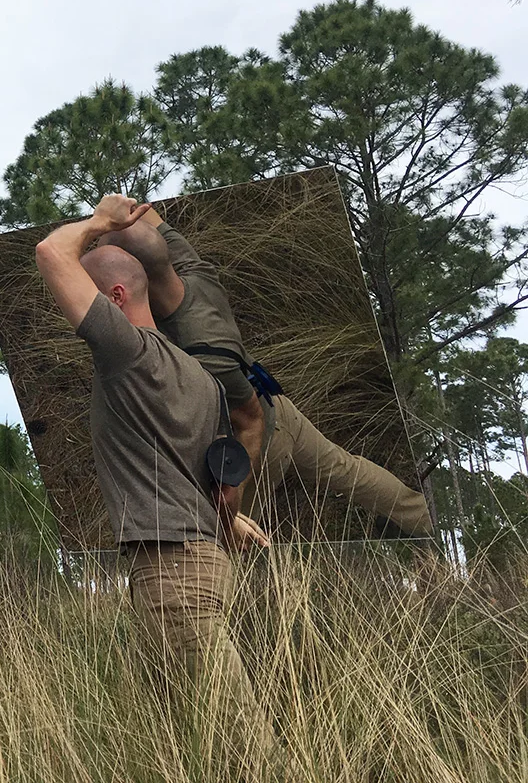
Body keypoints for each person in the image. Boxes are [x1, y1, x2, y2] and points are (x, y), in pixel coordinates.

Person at [34, 193, 272, 760]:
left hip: (173, 576)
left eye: (93, 298)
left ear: (114, 298)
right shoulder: (201, 378)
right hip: (204, 561)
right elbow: (216, 474)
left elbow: (49, 252)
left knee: (242, 745)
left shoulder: (128, 354)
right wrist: (230, 521)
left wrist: (97, 224)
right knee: (192, 742)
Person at [100, 207, 434, 538]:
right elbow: (151, 219)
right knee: (346, 470)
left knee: (223, 540)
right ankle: (420, 515)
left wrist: (230, 502)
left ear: (133, 277)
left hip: (256, 435)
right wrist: (114, 214)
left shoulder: (198, 346)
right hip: (274, 402)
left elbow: (251, 423)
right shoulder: (192, 269)